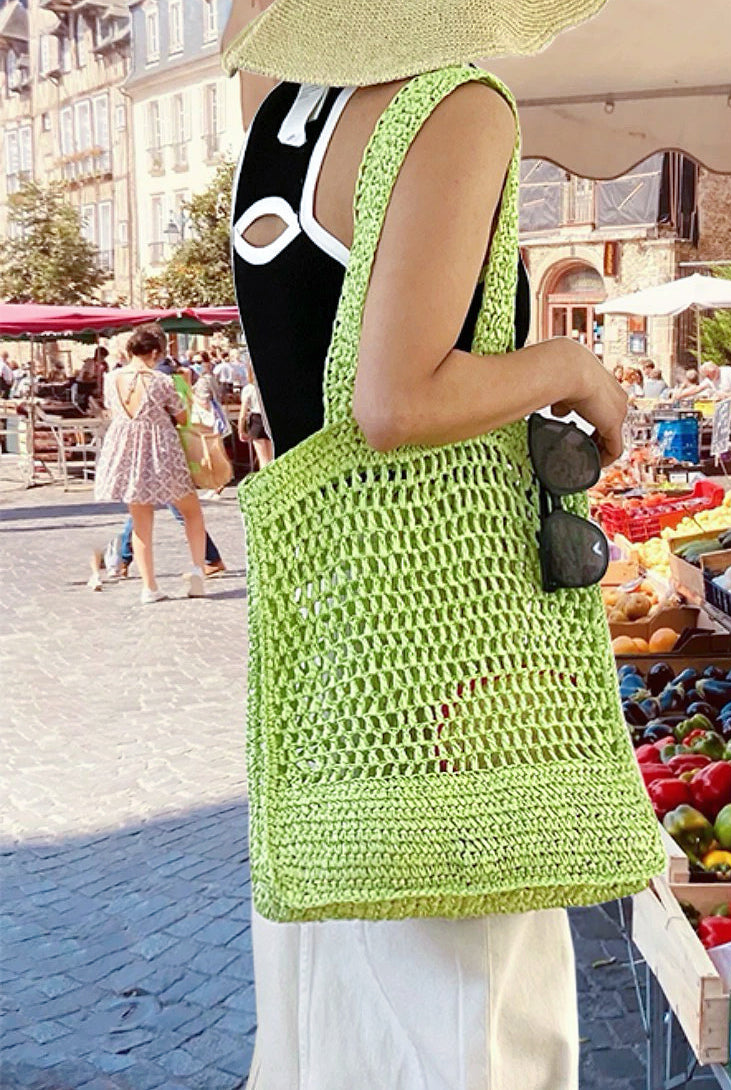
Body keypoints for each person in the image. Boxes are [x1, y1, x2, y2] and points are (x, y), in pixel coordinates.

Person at [222, 4, 664, 1086]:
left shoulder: (279, 115)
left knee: (335, 1020)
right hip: (447, 659)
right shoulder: (454, 107)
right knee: (474, 1023)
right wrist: (572, 370)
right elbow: (394, 399)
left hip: (334, 665)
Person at [93, 324, 209, 603]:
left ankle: (149, 587)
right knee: (191, 511)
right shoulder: (161, 381)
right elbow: (183, 418)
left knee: (141, 521)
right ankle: (197, 569)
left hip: (126, 452)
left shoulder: (112, 378)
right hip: (160, 451)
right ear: (155, 352)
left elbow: (111, 408)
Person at [238, 364, 273, 468]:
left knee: (262, 458)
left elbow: (243, 413)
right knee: (272, 457)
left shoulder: (249, 389)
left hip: (257, 420)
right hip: (268, 419)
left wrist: (241, 430)